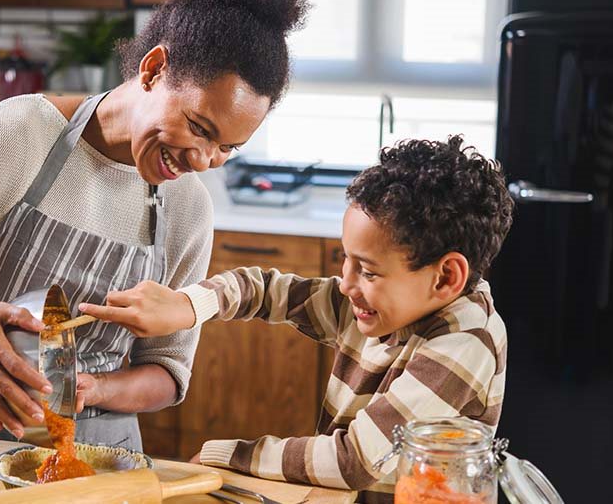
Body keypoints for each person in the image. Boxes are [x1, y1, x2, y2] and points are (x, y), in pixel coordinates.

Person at [0, 0, 309, 452]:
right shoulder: (20, 135)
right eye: (201, 128)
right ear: (154, 69)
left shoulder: (188, 208)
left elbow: (167, 371)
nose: (205, 161)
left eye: (228, 147)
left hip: (96, 459)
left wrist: (93, 389)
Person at [80, 136, 514, 502]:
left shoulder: (466, 339)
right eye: (346, 260)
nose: (345, 283)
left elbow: (355, 460)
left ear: (446, 277)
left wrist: (227, 455)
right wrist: (188, 306)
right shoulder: (388, 302)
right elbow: (264, 290)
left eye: (368, 270)